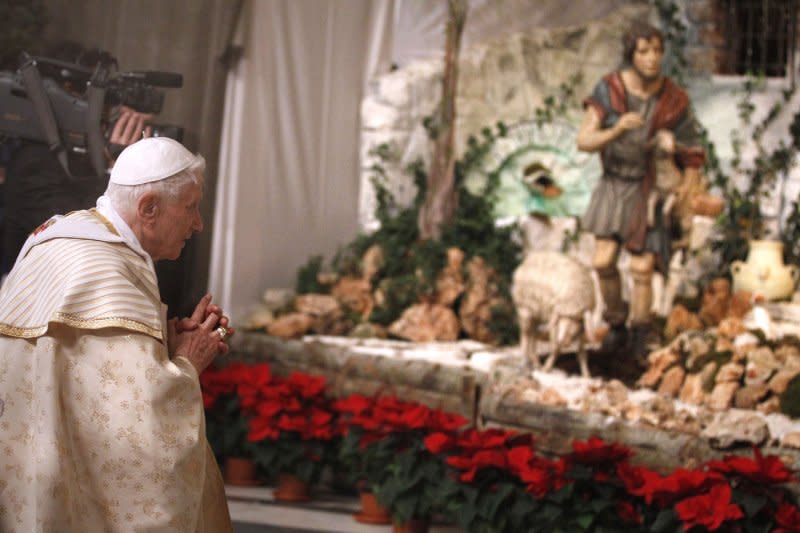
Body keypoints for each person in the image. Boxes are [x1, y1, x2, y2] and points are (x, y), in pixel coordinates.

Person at [0, 137, 234, 532]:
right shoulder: (107, 270)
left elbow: (81, 368)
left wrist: (162, 337)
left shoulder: (63, 236)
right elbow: (142, 429)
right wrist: (188, 363)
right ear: (149, 208)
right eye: (191, 208)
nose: (198, 224)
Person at [576, 20, 705, 360]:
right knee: (603, 261)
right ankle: (616, 325)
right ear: (631, 53)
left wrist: (683, 195)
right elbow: (584, 140)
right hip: (616, 183)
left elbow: (692, 153)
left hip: (650, 191)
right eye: (644, 51)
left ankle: (640, 332)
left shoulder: (673, 98)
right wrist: (616, 129)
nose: (652, 59)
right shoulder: (611, 90)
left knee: (642, 268)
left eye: (657, 51)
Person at [2, 42, 152, 272]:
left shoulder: (79, 156)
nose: (106, 110)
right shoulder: (34, 162)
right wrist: (120, 169)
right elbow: (77, 232)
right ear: (65, 94)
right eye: (99, 95)